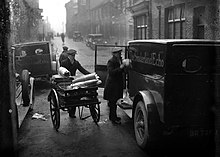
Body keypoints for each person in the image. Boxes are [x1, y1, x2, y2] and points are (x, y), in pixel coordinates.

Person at [60, 49, 90, 118]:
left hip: (74, 80)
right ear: (68, 56)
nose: (73, 57)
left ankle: (72, 112)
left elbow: (82, 70)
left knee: (75, 95)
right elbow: (62, 71)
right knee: (70, 95)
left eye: (74, 55)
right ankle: (70, 111)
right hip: (66, 81)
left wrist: (90, 75)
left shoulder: (76, 63)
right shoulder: (64, 62)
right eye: (71, 56)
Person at [103, 47, 125, 124]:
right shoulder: (111, 61)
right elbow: (111, 72)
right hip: (112, 85)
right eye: (118, 53)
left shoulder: (120, 60)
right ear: (114, 54)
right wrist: (120, 68)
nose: (120, 54)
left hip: (117, 84)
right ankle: (113, 118)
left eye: (120, 53)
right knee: (112, 102)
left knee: (115, 101)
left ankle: (114, 116)